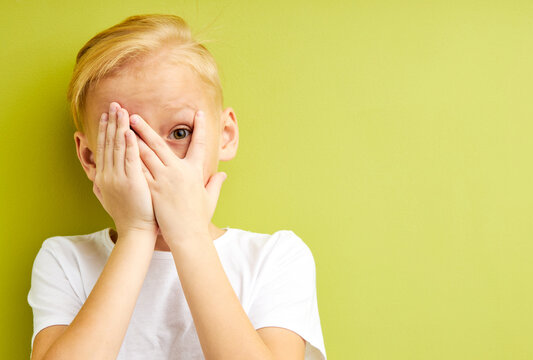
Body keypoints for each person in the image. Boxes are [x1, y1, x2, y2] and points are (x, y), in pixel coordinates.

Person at [27, 14, 326, 360]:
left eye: (180, 133)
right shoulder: (66, 261)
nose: (156, 159)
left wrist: (189, 234)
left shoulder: (276, 258)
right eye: (129, 139)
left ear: (225, 136)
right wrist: (136, 233)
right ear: (91, 159)